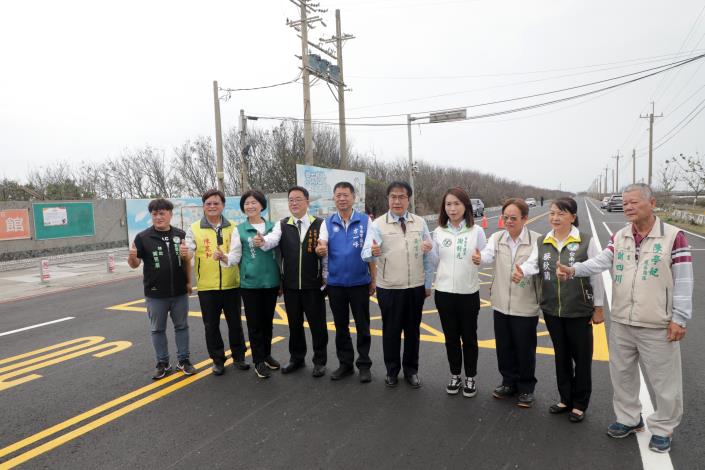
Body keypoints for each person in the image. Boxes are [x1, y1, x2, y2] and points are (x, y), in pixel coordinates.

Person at [557, 184, 693, 453]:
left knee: (664, 381)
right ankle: (629, 419)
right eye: (625, 202)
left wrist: (680, 317)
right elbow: (601, 262)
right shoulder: (619, 236)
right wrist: (574, 270)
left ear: (651, 203)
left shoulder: (673, 236)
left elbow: (684, 280)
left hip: (657, 323)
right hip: (621, 320)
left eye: (633, 202)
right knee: (622, 376)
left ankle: (663, 428)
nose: (628, 207)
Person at [518, 197, 604, 422]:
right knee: (561, 356)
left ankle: (580, 403)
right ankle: (565, 399)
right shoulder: (544, 241)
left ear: (573, 217)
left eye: (561, 214)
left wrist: (599, 307)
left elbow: (596, 275)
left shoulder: (586, 241)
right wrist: (522, 271)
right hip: (552, 310)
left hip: (579, 308)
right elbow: (533, 264)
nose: (555, 218)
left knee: (582, 358)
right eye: (552, 213)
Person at [361, 181, 434, 388]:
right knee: (391, 332)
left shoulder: (420, 223)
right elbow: (365, 252)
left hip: (415, 287)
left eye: (402, 196)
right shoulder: (377, 225)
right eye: (393, 196)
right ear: (388, 199)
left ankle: (411, 371)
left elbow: (428, 256)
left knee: (413, 332)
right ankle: (392, 371)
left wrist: (427, 283)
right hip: (389, 288)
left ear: (408, 199)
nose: (397, 201)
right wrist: (372, 253)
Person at [473, 198, 541, 408]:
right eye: (506, 217)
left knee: (525, 348)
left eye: (513, 218)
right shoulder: (497, 237)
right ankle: (508, 382)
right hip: (501, 303)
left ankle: (526, 388)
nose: (509, 221)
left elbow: (535, 263)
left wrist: (524, 271)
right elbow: (487, 255)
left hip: (525, 304)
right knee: (504, 346)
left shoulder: (537, 240)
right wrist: (478, 257)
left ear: (525, 219)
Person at [256, 186, 328, 378]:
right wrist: (262, 241)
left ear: (307, 202)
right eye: (291, 200)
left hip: (313, 284)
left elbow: (324, 246)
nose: (294, 203)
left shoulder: (320, 224)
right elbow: (271, 240)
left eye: (298, 199)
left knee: (317, 324)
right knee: (294, 324)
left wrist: (323, 253)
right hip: (291, 285)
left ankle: (320, 361)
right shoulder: (282, 224)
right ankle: (297, 358)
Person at [128, 198, 196, 379]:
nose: (158, 217)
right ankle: (163, 363)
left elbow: (186, 261)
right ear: (151, 216)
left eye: (162, 213)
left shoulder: (180, 235)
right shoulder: (143, 237)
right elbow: (134, 265)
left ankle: (184, 360)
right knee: (157, 329)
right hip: (155, 294)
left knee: (182, 326)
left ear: (170, 214)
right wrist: (132, 257)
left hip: (179, 292)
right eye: (155, 214)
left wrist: (189, 282)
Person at [315, 182, 376, 383]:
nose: (342, 198)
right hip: (336, 284)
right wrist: (320, 249)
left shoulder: (366, 221)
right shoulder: (327, 223)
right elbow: (321, 243)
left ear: (354, 198)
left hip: (359, 282)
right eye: (338, 195)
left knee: (363, 326)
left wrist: (373, 280)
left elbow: (371, 253)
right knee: (341, 326)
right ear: (334, 198)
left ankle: (364, 364)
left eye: (345, 195)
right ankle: (345, 364)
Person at [185, 189, 249, 376]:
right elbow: (188, 251)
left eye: (216, 203)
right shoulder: (194, 228)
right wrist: (185, 253)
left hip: (232, 284)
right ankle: (218, 360)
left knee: (235, 323)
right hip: (207, 287)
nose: (212, 207)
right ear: (203, 206)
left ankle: (239, 357)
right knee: (210, 326)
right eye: (208, 204)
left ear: (223, 205)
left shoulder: (235, 227)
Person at [430, 187, 486, 398]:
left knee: (469, 337)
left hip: (468, 292)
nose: (452, 209)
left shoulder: (476, 231)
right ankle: (455, 375)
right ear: (444, 208)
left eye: (457, 204)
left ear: (466, 207)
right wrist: (429, 250)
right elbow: (436, 262)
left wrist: (481, 259)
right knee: (451, 338)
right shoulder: (438, 231)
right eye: (448, 204)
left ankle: (470, 377)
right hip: (444, 293)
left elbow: (484, 256)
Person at [237, 189, 281, 379]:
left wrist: (281, 280)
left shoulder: (274, 227)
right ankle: (258, 361)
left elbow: (279, 254)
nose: (250, 206)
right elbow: (235, 255)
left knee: (267, 322)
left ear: (262, 205)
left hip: (271, 282)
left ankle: (267, 354)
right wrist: (224, 258)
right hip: (250, 284)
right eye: (246, 203)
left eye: (254, 202)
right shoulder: (239, 230)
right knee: (254, 324)